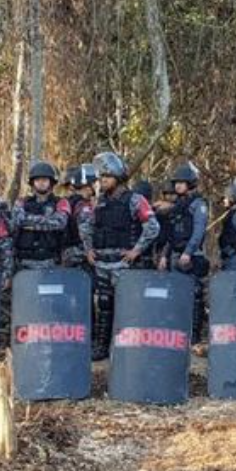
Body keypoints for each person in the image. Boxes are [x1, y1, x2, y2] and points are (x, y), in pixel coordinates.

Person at [80, 152, 160, 360]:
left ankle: (128, 349)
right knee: (104, 305)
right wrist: (88, 249)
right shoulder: (98, 203)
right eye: (101, 178)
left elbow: (152, 226)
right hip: (102, 263)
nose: (102, 181)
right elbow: (86, 227)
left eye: (106, 177)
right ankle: (101, 347)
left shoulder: (135, 200)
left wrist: (137, 250)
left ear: (118, 177)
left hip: (124, 265)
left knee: (128, 306)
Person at [158, 161, 210, 342]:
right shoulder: (178, 205)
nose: (178, 185)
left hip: (192, 256)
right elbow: (171, 234)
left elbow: (199, 231)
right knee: (175, 294)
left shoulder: (198, 204)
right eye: (176, 182)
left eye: (182, 182)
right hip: (175, 254)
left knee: (194, 294)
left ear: (190, 183)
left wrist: (188, 252)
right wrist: (164, 255)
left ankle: (194, 334)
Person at [10, 161, 70, 273]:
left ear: (51, 183)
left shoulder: (61, 202)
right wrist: (46, 220)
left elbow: (59, 223)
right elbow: (19, 220)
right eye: (37, 180)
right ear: (32, 183)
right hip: (24, 262)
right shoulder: (21, 202)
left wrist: (30, 222)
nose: (41, 183)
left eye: (44, 180)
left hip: (50, 261)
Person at [61, 164, 97, 268]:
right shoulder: (83, 205)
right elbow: (85, 231)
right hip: (79, 254)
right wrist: (89, 251)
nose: (95, 186)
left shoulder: (67, 202)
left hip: (66, 252)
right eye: (93, 183)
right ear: (87, 185)